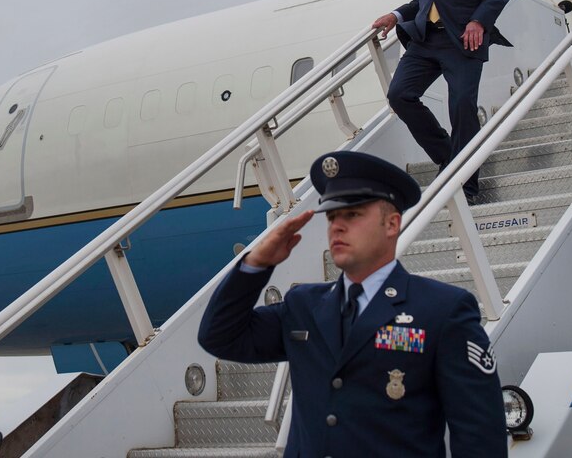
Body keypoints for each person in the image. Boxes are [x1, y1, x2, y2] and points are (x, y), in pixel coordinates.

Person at [198, 151, 507, 457]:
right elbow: (220, 336)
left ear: (391, 225)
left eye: (353, 215)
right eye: (332, 216)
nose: (337, 226)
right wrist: (256, 264)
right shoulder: (303, 306)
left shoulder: (443, 311)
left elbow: (480, 435)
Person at [372, 0, 511, 203]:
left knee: (461, 107)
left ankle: (467, 186)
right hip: (426, 38)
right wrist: (396, 15)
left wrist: (479, 20)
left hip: (465, 38)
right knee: (399, 95)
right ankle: (450, 160)